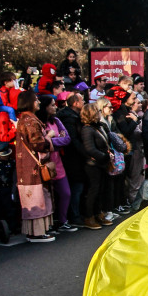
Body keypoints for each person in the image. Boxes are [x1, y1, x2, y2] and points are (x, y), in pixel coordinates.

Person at [15, 90, 55, 242]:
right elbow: (38, 143)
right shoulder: (30, 121)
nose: (38, 102)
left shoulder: (25, 119)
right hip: (32, 167)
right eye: (36, 100)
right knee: (37, 197)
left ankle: (37, 231)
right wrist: (49, 137)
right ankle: (37, 233)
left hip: (27, 166)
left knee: (36, 196)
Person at [37, 95, 76, 232]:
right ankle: (50, 223)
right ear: (45, 107)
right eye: (52, 105)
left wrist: (52, 141)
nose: (55, 107)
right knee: (48, 195)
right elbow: (41, 143)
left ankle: (63, 220)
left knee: (66, 193)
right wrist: (52, 140)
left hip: (57, 162)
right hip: (44, 162)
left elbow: (67, 139)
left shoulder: (57, 120)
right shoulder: (39, 122)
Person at [79, 102, 112, 230]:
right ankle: (89, 216)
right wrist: (105, 156)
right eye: (97, 111)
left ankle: (99, 213)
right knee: (94, 190)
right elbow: (90, 149)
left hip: (102, 164)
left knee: (101, 190)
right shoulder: (87, 129)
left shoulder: (98, 127)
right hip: (93, 165)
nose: (100, 113)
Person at [57, 92, 87, 226]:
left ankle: (77, 213)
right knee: (76, 187)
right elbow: (73, 140)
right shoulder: (69, 119)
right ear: (75, 103)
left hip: (76, 157)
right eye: (82, 100)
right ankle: (74, 215)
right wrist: (85, 152)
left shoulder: (74, 117)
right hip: (72, 158)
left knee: (78, 187)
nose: (84, 102)